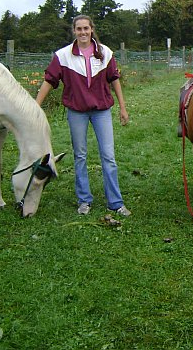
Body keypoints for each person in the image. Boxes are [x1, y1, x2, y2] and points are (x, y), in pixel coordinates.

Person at [36, 15, 132, 217]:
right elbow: (49, 80)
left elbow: (114, 79)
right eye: (79, 29)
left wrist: (123, 107)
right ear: (74, 31)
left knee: (108, 156)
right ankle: (84, 200)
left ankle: (115, 202)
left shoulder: (105, 53)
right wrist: (36, 106)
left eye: (86, 28)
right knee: (80, 156)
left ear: (91, 29)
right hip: (77, 112)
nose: (83, 32)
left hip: (102, 112)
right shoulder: (63, 56)